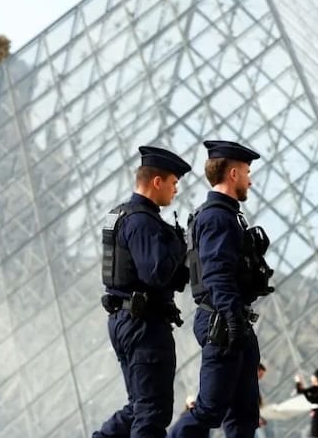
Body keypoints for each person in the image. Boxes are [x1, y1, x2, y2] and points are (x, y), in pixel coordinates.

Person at [169, 140, 274, 438]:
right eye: (247, 172)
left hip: (230, 317)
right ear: (232, 174)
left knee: (244, 413)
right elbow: (218, 274)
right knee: (211, 408)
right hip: (223, 320)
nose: (250, 180)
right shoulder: (217, 216)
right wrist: (233, 320)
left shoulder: (222, 213)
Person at [93, 146, 191, 438]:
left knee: (138, 408)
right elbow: (156, 273)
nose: (176, 191)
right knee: (152, 412)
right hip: (144, 324)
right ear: (157, 182)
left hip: (125, 319)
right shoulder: (143, 221)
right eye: (174, 183)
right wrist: (179, 242)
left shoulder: (120, 215)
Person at [295, 368, 318, 437]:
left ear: (316, 378)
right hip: (317, 413)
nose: (311, 378)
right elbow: (300, 391)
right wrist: (298, 381)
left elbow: (312, 399)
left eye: (313, 376)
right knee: (316, 433)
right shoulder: (315, 388)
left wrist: (304, 392)